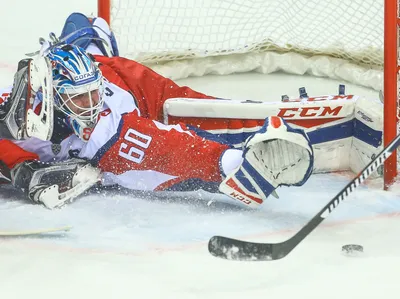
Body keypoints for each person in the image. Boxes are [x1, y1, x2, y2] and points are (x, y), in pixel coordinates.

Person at [0, 13, 314, 209]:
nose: (92, 106)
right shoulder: (22, 110)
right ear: (51, 98)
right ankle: (97, 39)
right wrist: (20, 168)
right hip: (89, 69)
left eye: (93, 95)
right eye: (81, 99)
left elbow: (167, 146)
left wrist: (229, 163)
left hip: (133, 88)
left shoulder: (105, 130)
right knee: (80, 24)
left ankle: (99, 42)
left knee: (200, 108)